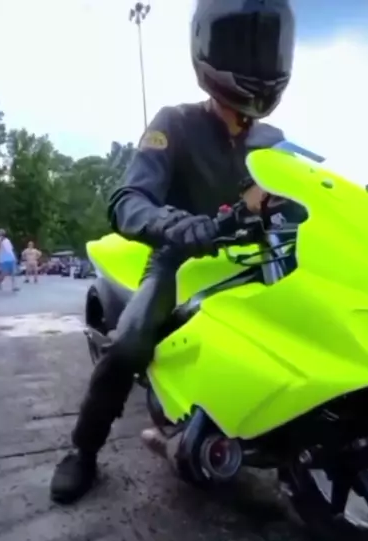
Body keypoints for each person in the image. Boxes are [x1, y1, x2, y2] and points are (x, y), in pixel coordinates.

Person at [50, 0, 296, 504]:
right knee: (129, 343)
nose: (257, 58)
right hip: (179, 258)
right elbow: (128, 199)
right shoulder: (175, 124)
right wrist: (176, 225)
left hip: (257, 258)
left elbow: (308, 198)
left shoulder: (276, 142)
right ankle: (83, 450)